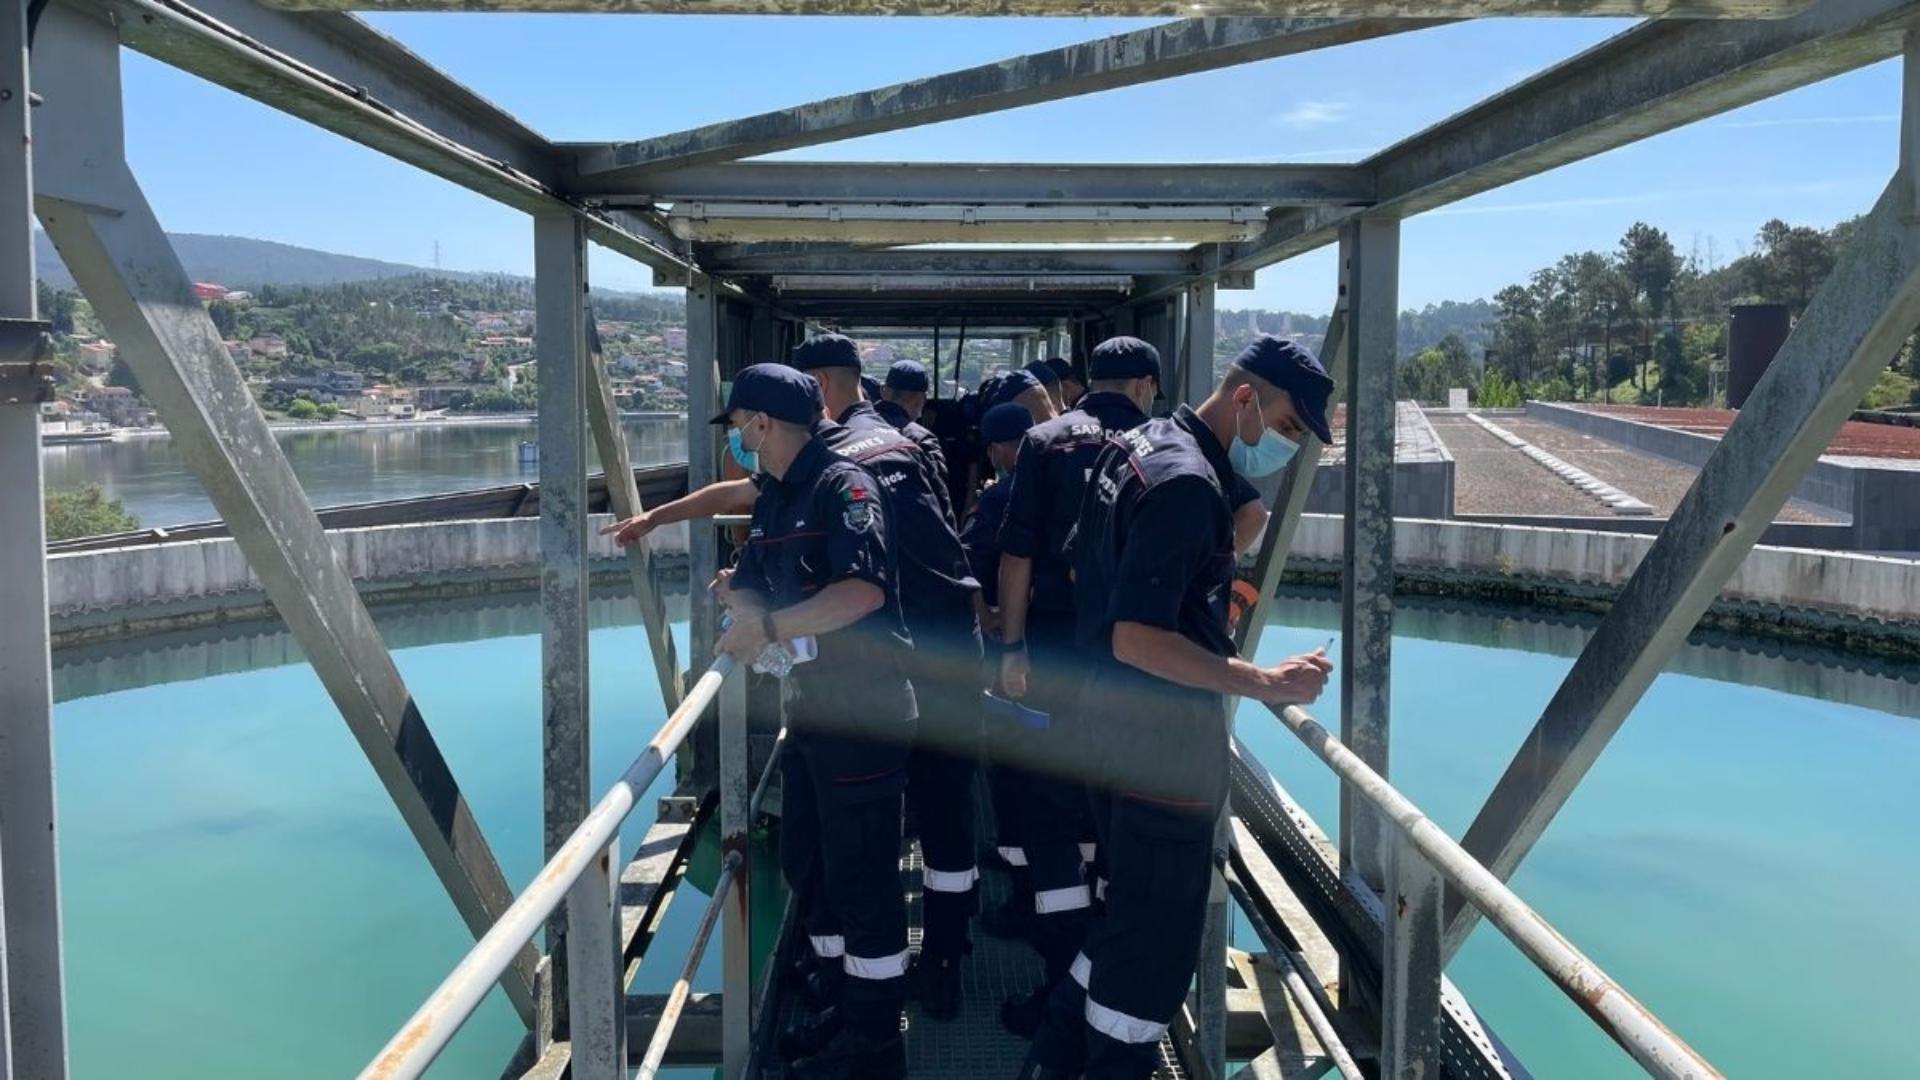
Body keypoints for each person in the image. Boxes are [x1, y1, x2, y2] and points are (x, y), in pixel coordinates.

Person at [1018, 335, 1336, 1080]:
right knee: (1153, 956)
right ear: (1247, 397)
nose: (1287, 448)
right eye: (1290, 427)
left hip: (1102, 726)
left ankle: (1054, 1057)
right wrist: (1263, 681)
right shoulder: (1189, 485)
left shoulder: (1135, 445)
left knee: (1121, 923)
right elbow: (1139, 637)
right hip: (1160, 748)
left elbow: (1098, 578)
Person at [708, 364, 918, 1079]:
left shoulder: (843, 486)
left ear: (763, 425)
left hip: (863, 710)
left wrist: (766, 627)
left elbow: (859, 593)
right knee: (813, 860)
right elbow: (771, 578)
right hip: (817, 708)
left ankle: (874, 1044)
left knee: (864, 883)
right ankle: (843, 998)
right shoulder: (781, 494)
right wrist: (741, 596)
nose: (736, 442)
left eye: (738, 429)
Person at [788, 334, 986, 1022]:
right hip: (954, 648)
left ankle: (854, 986)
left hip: (886, 664)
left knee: (861, 830)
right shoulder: (912, 440)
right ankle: (947, 963)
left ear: (816, 384)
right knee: (948, 815)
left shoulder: (827, 459)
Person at [992, 336, 1162, 1036]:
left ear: (1089, 382)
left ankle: (1059, 986)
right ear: (1147, 386)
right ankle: (1113, 985)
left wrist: (1012, 648)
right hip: (1140, 660)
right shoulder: (1164, 442)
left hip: (1058, 656)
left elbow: (1017, 555)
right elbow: (1246, 513)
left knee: (1052, 819)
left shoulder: (1045, 441)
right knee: (1118, 818)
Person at [959, 402, 1039, 938]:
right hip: (1081, 655)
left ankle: (1022, 892)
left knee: (1016, 772)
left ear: (1003, 449)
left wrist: (988, 619)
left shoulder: (1003, 496)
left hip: (1021, 658)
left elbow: (965, 564)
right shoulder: (1097, 473)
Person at [874, 358, 952, 514]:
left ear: (883, 391)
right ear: (922, 399)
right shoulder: (921, 439)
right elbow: (939, 497)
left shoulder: (854, 429)